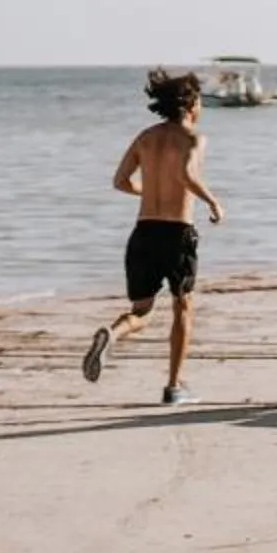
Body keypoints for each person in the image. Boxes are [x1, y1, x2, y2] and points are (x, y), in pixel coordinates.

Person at [83, 68, 224, 404]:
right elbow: (187, 174)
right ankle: (174, 386)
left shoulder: (145, 138)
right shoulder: (194, 138)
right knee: (183, 306)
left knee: (142, 312)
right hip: (177, 233)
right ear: (190, 105)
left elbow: (120, 181)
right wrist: (213, 202)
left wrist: (150, 193)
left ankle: (113, 333)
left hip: (143, 233)